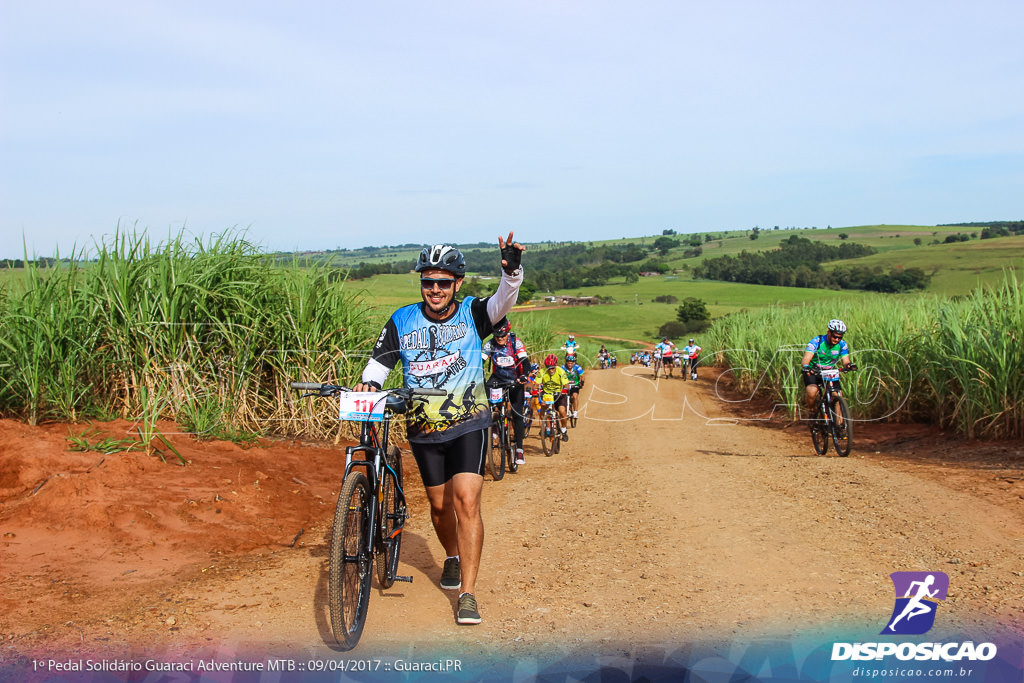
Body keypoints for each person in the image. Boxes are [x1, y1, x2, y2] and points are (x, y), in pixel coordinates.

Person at [355, 234, 524, 626]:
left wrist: (512, 270)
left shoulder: (473, 313)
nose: (435, 289)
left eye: (443, 282)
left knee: (466, 500)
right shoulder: (402, 319)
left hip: (469, 422)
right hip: (423, 427)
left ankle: (467, 592)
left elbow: (504, 299)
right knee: (439, 506)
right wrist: (370, 384)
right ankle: (451, 555)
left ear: (457, 284)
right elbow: (378, 364)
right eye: (428, 281)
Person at [481, 317, 530, 465]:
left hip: (515, 380)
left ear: (507, 333)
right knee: (487, 396)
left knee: (517, 414)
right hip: (498, 379)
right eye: (497, 336)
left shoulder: (516, 343)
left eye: (502, 335)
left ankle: (520, 450)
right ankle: (495, 423)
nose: (500, 338)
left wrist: (524, 375)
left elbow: (525, 362)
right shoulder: (490, 344)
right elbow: (480, 361)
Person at [800, 319, 854, 426]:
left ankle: (839, 426)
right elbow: (806, 359)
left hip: (829, 372)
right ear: (829, 332)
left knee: (837, 395)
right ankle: (812, 411)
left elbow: (845, 360)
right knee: (812, 390)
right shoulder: (817, 341)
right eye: (835, 336)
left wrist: (849, 365)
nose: (837, 339)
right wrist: (806, 367)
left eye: (840, 337)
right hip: (813, 371)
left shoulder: (842, 345)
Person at [539, 353, 571, 441]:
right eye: (549, 367)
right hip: (547, 394)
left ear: (556, 365)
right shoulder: (542, 372)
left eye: (553, 367)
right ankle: (548, 429)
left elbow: (566, 385)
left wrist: (565, 390)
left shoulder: (561, 371)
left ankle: (563, 430)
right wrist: (534, 390)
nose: (551, 370)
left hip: (559, 394)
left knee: (562, 411)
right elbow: (536, 384)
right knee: (542, 412)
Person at [561, 353, 585, 419]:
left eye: (571, 363)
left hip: (575, 384)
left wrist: (581, 383)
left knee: (574, 396)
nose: (570, 365)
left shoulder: (577, 367)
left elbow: (582, 375)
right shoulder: (562, 368)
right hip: (566, 385)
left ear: (574, 363)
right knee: (563, 398)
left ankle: (575, 412)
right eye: (568, 363)